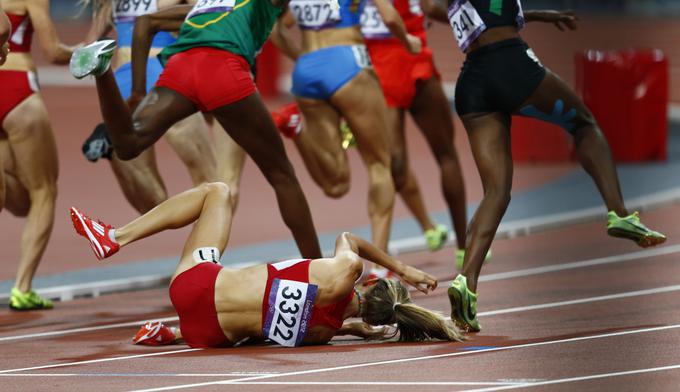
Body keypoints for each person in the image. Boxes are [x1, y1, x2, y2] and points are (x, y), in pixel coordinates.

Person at [444, 2, 667, 332]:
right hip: (510, 65)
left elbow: (484, 14)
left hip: (473, 83)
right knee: (584, 123)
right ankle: (620, 213)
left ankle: (467, 282)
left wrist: (535, 15)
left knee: (496, 192)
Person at [69, 182, 464, 347]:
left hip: (194, 285)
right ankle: (171, 333)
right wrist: (357, 330)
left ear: (368, 285)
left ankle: (115, 237)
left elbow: (351, 241)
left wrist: (405, 270)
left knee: (218, 192)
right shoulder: (325, 333)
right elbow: (260, 336)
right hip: (205, 335)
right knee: (251, 320)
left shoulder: (343, 272)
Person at [69, 2, 322, 259]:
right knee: (282, 175)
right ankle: (318, 269)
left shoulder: (204, 5)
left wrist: (137, 92)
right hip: (223, 67)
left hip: (182, 68)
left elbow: (145, 23)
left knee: (127, 145)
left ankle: (102, 72)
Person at [270, 0, 421, 278]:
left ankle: (296, 128)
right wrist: (407, 40)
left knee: (336, 184)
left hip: (306, 72)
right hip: (347, 62)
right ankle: (378, 270)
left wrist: (305, 59)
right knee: (379, 165)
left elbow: (276, 31)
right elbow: (389, 16)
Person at [80, 0, 246, 213]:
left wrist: (63, 51)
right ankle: (208, 242)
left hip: (123, 83)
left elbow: (87, 48)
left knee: (153, 204)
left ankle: (110, 142)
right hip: (165, 77)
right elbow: (211, 18)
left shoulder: (111, 3)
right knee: (212, 182)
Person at [359, 0, 469, 261]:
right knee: (446, 155)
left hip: (381, 69)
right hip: (413, 60)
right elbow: (431, 7)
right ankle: (464, 247)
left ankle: (440, 233)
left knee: (395, 164)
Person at [0, 0, 77, 310]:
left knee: (12, 198)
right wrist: (88, 50)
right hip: (17, 88)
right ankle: (22, 286)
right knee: (44, 190)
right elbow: (54, 50)